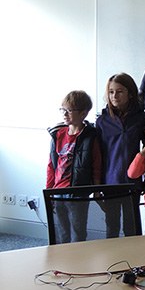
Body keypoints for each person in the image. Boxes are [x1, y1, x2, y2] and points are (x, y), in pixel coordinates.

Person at [96, 73, 145, 237]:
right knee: (111, 228)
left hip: (132, 182)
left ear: (130, 94)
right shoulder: (102, 121)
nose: (114, 96)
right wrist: (97, 186)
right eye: (111, 92)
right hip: (110, 182)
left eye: (119, 91)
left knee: (131, 228)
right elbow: (97, 157)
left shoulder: (141, 118)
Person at [47, 90, 102, 243]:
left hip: (78, 192)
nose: (64, 114)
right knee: (61, 232)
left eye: (69, 110)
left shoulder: (90, 136)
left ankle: (78, 257)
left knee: (78, 231)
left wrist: (96, 189)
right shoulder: (58, 134)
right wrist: (49, 190)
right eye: (62, 110)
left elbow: (96, 165)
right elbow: (51, 165)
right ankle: (62, 257)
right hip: (58, 191)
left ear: (83, 113)